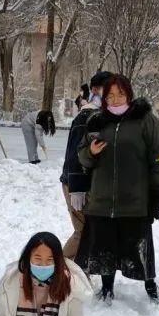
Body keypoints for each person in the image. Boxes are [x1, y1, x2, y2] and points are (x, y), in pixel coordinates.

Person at [75, 74, 159, 302]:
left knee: (140, 247)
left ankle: (150, 286)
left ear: (129, 94)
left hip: (134, 199)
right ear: (104, 97)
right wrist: (91, 152)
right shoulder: (97, 121)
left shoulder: (145, 120)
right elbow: (82, 156)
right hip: (102, 200)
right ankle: (107, 288)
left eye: (120, 94)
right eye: (110, 95)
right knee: (105, 247)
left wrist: (156, 188)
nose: (115, 99)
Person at [60, 70, 113, 258]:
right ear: (95, 90)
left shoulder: (104, 116)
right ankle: (59, 267)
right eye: (106, 90)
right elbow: (74, 154)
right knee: (83, 233)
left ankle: (79, 269)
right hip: (78, 185)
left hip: (93, 185)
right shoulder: (86, 117)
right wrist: (77, 188)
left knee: (91, 232)